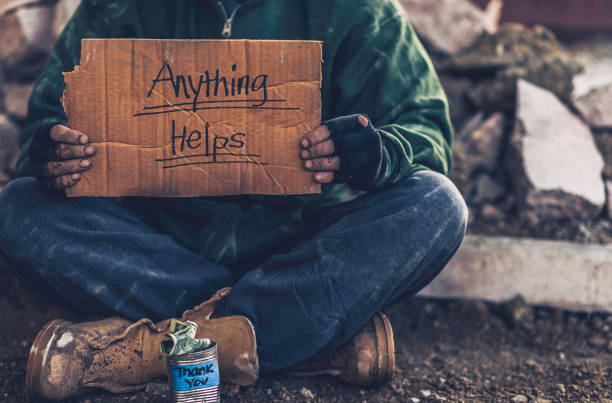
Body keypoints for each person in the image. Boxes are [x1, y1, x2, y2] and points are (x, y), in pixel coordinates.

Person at [0, 0, 468, 400]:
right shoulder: (118, 6)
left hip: (299, 249)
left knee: (436, 203)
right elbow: (48, 123)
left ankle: (152, 349)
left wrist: (377, 153)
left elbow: (425, 129)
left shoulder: (358, 10)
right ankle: (304, 339)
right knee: (19, 207)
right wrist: (51, 153)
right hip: (155, 249)